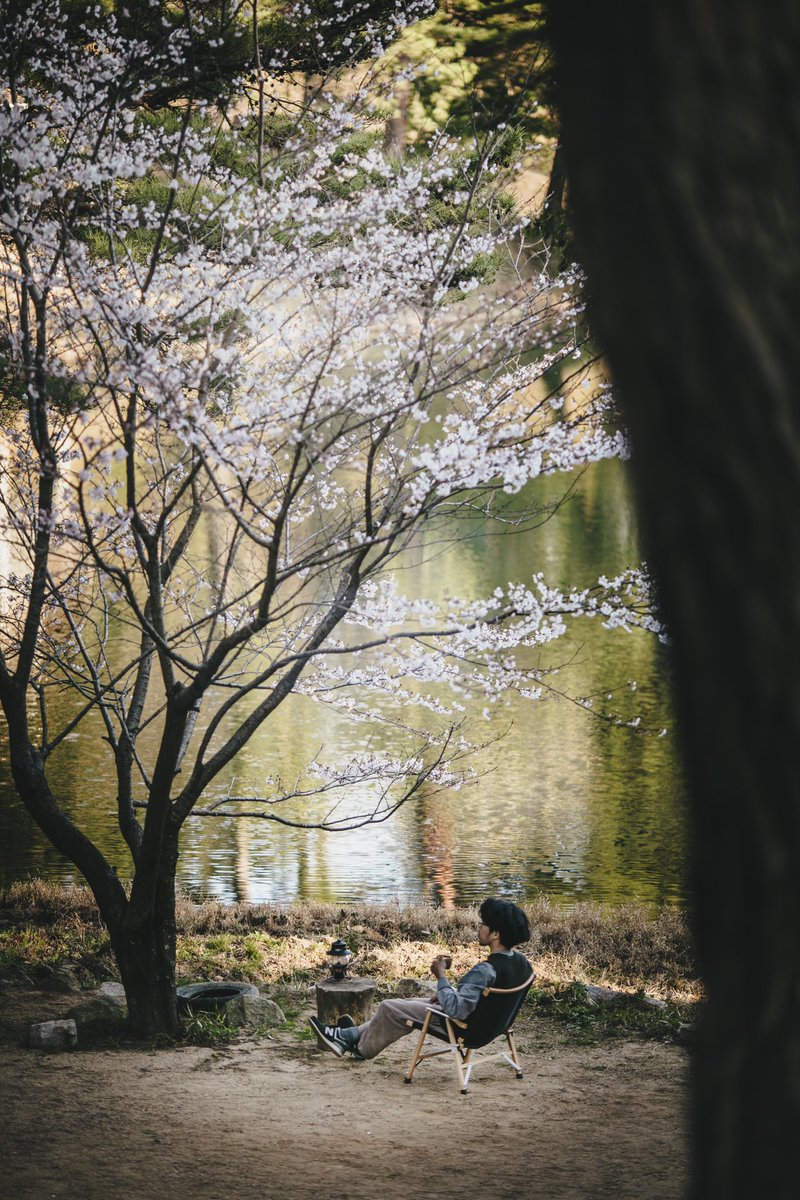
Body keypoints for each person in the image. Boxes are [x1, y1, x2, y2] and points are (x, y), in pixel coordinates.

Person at [308, 897, 532, 1060]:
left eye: (483, 923)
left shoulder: (485, 970)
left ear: (495, 934)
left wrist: (441, 975)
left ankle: (359, 1048)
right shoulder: (522, 964)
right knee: (412, 1004)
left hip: (463, 1027)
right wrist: (448, 992)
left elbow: (456, 1010)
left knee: (389, 1007)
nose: (479, 926)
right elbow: (478, 1000)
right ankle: (347, 1034)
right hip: (490, 1026)